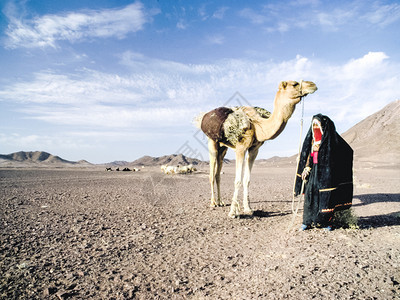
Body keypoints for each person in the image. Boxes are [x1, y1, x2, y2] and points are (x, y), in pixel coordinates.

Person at [294, 114, 353, 231]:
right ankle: (307, 221)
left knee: (326, 199)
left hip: (327, 176)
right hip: (313, 174)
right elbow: (311, 158)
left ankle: (326, 223)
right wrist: (307, 168)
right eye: (313, 125)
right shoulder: (313, 143)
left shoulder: (333, 144)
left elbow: (346, 152)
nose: (315, 127)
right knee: (310, 197)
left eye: (318, 125)